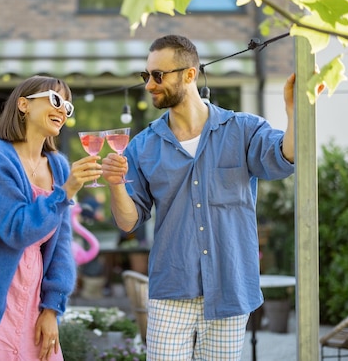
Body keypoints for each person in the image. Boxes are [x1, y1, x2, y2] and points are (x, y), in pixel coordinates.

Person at [101, 35, 296, 360]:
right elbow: (128, 220)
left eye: (158, 75)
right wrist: (115, 184)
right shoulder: (143, 145)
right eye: (145, 76)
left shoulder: (243, 129)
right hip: (171, 290)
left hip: (230, 288)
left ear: (189, 74)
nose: (149, 85)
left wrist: (294, 114)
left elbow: (282, 159)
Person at [0, 75, 103, 361]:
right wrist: (65, 193)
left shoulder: (59, 167)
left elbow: (62, 245)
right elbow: (16, 229)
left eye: (68, 106)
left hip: (33, 305)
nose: (63, 109)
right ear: (24, 104)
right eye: (55, 100)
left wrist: (52, 308)